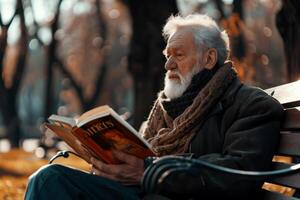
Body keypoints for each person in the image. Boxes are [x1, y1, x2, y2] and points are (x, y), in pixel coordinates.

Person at [25, 14, 283, 200]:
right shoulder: (165, 109)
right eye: (167, 55)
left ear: (209, 59)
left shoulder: (251, 105)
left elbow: (239, 175)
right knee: (52, 177)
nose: (168, 64)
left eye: (178, 55)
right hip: (146, 193)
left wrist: (148, 172)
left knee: (50, 180)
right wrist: (110, 167)